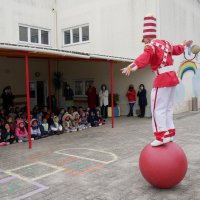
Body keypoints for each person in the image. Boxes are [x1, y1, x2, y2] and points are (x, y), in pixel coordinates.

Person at [121, 13, 193, 146]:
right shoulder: (165, 43)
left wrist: (131, 67)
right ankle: (170, 133)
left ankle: (160, 136)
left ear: (146, 37)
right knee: (168, 108)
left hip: (162, 79)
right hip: (173, 79)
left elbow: (144, 57)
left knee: (157, 109)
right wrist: (184, 45)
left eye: (144, 40)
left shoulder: (151, 46)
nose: (144, 43)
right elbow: (177, 49)